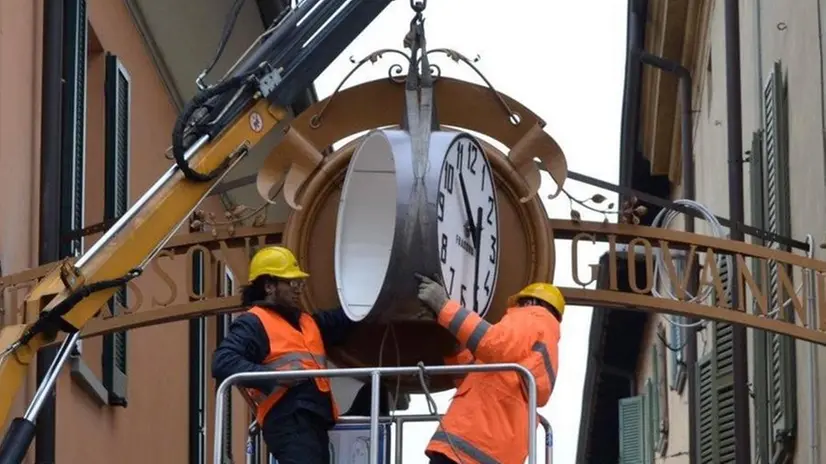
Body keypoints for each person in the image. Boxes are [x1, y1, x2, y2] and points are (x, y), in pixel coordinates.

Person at [212, 246, 383, 464]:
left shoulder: (307, 322)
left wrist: (375, 297)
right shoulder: (254, 322)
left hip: (314, 421)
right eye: (291, 282)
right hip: (288, 419)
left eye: (299, 283)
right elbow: (223, 362)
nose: (298, 289)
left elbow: (345, 318)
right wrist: (274, 376)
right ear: (269, 286)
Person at [416, 275, 564, 464]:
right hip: (491, 450)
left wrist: (443, 305)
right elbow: (476, 380)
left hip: (472, 441)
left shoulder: (534, 318)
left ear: (531, 302)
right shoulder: (540, 344)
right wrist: (453, 346)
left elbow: (492, 343)